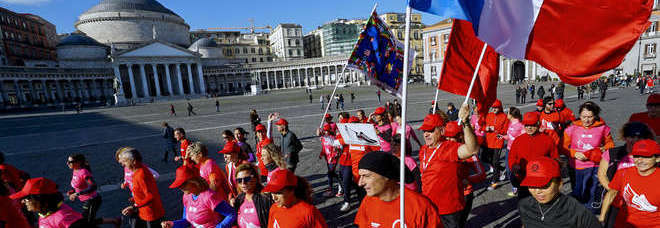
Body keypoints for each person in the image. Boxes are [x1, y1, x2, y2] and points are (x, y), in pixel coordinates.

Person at [419, 103, 479, 228]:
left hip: (449, 211)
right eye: (424, 130)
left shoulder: (449, 147)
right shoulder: (423, 150)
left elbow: (472, 150)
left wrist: (466, 123)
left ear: (441, 131)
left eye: (430, 130)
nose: (426, 134)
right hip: (429, 208)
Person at [354, 152, 443, 228]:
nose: (360, 183)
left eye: (366, 176)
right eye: (360, 176)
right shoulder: (368, 202)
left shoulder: (420, 206)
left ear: (386, 176)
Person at [597, 122, 655, 228]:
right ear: (625, 137)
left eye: (640, 137)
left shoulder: (651, 156)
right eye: (632, 136)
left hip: (639, 203)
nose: (635, 140)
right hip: (616, 200)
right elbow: (602, 174)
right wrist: (613, 189)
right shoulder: (612, 153)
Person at [517, 157, 601, 228]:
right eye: (532, 186)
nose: (538, 191)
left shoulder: (576, 211)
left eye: (545, 186)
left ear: (559, 184)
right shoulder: (524, 205)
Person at [563, 101, 615, 214]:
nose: (586, 120)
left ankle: (589, 214)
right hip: (576, 166)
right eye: (584, 116)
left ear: (595, 116)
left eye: (590, 117)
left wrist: (602, 149)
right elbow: (563, 146)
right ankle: (577, 212)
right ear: (580, 115)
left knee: (592, 191)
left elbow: (610, 144)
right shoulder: (572, 128)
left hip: (594, 166)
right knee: (577, 191)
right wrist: (573, 153)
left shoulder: (603, 128)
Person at [162, 166, 236, 228]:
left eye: (183, 184)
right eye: (179, 185)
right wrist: (172, 224)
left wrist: (220, 227)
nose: (180, 187)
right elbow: (187, 221)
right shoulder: (186, 197)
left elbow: (231, 214)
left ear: (194, 182)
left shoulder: (209, 196)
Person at [508, 112, 559, 198]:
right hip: (523, 177)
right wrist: (513, 166)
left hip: (541, 179)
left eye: (532, 125)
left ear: (538, 124)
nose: (529, 128)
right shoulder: (518, 140)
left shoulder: (547, 140)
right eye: (527, 125)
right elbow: (512, 157)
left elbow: (554, 158)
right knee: (524, 202)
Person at [10, 177, 94, 228]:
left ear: (41, 200)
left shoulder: (64, 218)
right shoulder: (45, 213)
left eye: (27, 198)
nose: (23, 201)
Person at [116, 147, 165, 228]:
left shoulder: (141, 175)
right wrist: (135, 198)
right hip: (143, 211)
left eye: (125, 161)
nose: (123, 164)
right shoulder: (137, 171)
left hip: (151, 213)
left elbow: (150, 196)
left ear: (134, 161)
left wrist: (134, 206)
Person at [263, 169, 327, 228]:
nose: (274, 198)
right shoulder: (274, 208)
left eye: (278, 193)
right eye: (272, 192)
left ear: (292, 191)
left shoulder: (308, 212)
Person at [231, 164, 274, 228]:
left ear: (255, 179)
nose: (243, 183)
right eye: (239, 180)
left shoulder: (266, 198)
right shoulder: (238, 199)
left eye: (247, 179)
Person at [66, 154, 101, 222]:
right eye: (68, 161)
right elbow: (79, 185)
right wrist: (72, 191)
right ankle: (114, 221)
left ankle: (114, 221)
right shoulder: (75, 170)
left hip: (92, 200)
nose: (67, 163)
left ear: (78, 163)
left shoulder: (83, 172)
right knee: (88, 221)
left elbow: (93, 186)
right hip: (86, 200)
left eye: (70, 162)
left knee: (87, 221)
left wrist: (77, 194)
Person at [484, 100, 509, 190]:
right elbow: (483, 125)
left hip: (498, 141)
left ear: (500, 107)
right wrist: (486, 128)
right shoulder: (489, 115)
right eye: (493, 107)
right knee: (485, 158)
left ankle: (495, 181)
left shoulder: (504, 117)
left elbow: (505, 130)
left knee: (495, 161)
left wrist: (495, 129)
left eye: (496, 107)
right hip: (488, 141)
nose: (494, 109)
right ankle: (501, 169)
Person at [503, 107, 525, 196]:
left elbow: (524, 139)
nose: (506, 114)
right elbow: (509, 136)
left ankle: (518, 187)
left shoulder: (520, 125)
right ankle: (516, 185)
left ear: (511, 115)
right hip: (509, 150)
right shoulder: (510, 123)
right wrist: (502, 136)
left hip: (517, 151)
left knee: (516, 170)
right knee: (508, 169)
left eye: (507, 112)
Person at [319, 124, 341, 198]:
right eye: (324, 131)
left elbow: (337, 149)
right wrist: (321, 154)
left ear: (330, 131)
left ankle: (331, 189)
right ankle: (341, 181)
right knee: (332, 173)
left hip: (332, 159)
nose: (325, 132)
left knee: (330, 174)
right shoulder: (323, 138)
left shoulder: (332, 138)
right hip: (327, 158)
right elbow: (324, 148)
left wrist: (333, 156)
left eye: (327, 131)